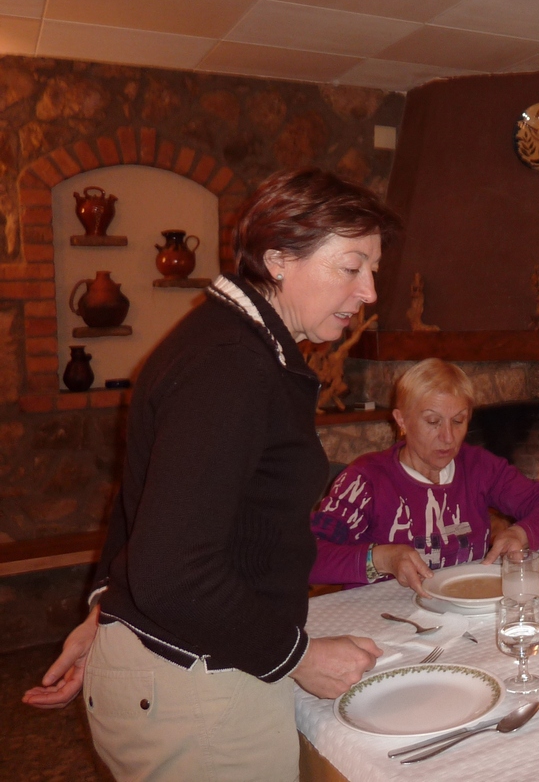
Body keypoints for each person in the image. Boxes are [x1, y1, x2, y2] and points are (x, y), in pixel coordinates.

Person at [23, 168, 400, 780]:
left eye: (374, 270)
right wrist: (299, 658)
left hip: (171, 668)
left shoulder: (224, 340)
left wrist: (106, 613)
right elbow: (171, 570)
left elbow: (146, 499)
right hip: (196, 687)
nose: (370, 291)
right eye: (352, 267)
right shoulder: (232, 365)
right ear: (279, 259)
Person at [309, 358, 539, 595]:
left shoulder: (477, 466)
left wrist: (520, 534)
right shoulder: (365, 480)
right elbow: (304, 555)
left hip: (466, 612)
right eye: (433, 422)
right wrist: (380, 558)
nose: (448, 437)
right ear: (401, 420)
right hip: (383, 618)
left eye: (458, 421)